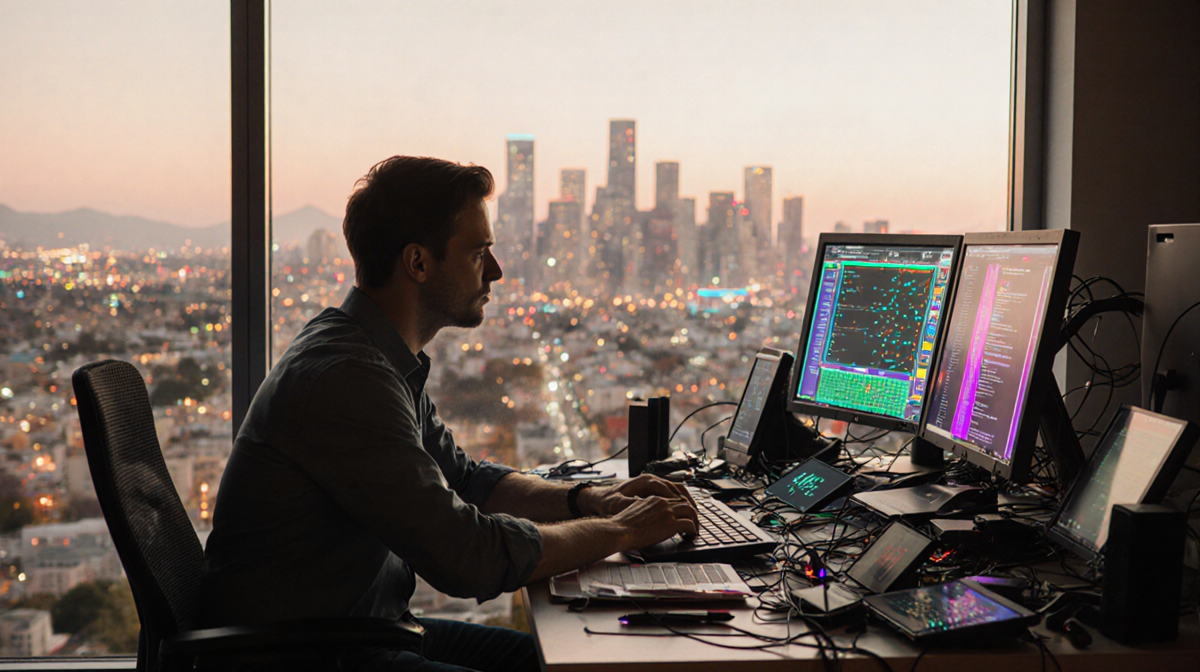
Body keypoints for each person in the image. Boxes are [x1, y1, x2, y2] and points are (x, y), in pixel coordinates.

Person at [200, 156, 699, 671]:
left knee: (556, 663)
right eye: (480, 251)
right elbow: (469, 559)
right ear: (417, 263)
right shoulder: (348, 378)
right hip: (304, 657)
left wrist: (592, 499)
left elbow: (468, 481)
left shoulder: (376, 356)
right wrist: (621, 531)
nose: (497, 270)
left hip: (357, 632)